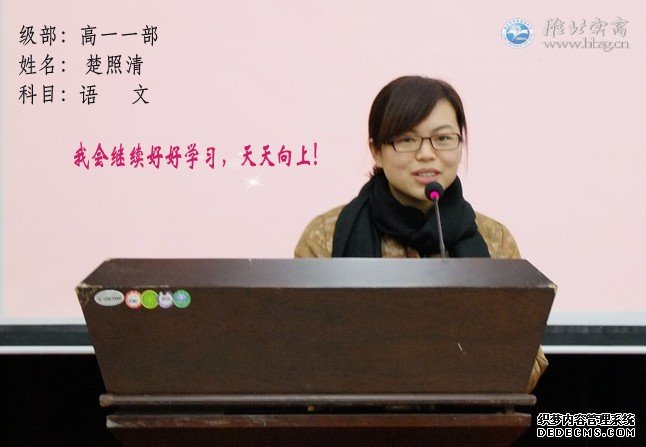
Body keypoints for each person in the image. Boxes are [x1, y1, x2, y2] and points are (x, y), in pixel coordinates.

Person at [294, 75, 547, 392]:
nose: (427, 154)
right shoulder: (326, 235)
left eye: (443, 138)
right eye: (406, 139)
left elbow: (527, 361)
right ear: (376, 151)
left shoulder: (494, 239)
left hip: (466, 416)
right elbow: (302, 355)